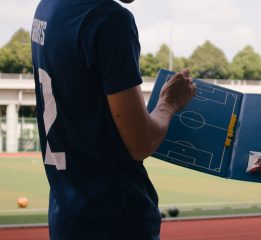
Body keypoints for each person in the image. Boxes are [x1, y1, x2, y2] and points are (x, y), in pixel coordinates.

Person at [31, 0, 195, 239]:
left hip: (66, 217)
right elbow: (141, 143)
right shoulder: (109, 20)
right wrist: (169, 103)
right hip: (115, 219)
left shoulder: (46, 7)